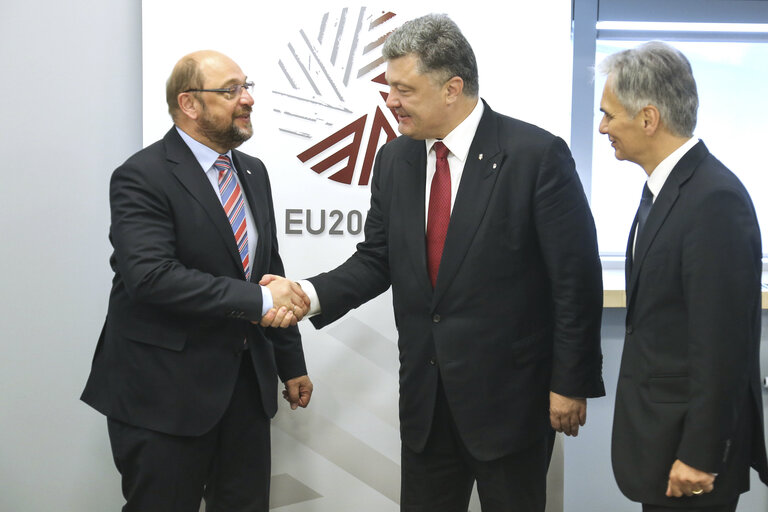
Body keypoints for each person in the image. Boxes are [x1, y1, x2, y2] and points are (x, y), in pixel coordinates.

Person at [264, 14, 604, 511]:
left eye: (403, 88)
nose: (391, 101)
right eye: (388, 87)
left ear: (452, 88)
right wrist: (306, 296)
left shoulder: (535, 155)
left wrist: (570, 383)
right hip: (426, 402)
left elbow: (575, 281)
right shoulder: (395, 159)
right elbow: (378, 259)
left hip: (511, 405)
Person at [81, 50, 313, 512]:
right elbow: (151, 277)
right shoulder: (142, 176)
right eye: (231, 90)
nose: (247, 99)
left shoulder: (252, 172)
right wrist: (260, 297)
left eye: (247, 87)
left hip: (245, 393)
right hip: (163, 396)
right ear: (189, 103)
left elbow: (269, 270)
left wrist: (290, 361)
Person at [598, 41, 768, 512]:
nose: (602, 127)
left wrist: (701, 455)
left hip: (692, 459)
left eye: (610, 115)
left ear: (648, 118)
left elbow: (723, 344)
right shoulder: (666, 189)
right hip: (661, 439)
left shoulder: (714, 200)